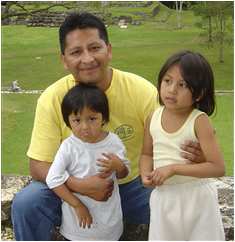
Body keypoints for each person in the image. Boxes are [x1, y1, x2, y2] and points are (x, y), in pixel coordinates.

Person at [11, 13, 204, 241]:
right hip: (71, 184)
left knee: (180, 201)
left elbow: (167, 141)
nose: (87, 58)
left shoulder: (140, 91)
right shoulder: (52, 98)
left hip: (131, 186)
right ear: (64, 59)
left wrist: (195, 155)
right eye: (76, 52)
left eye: (94, 48)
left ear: (109, 50)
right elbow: (38, 165)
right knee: (27, 203)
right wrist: (81, 185)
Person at [140, 50, 225, 240]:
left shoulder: (199, 121)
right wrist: (145, 173)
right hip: (164, 198)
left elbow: (217, 167)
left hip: (197, 199)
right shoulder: (153, 118)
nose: (171, 90)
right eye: (167, 81)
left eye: (182, 84)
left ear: (199, 93)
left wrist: (174, 169)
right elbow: (147, 154)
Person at [46, 84, 130, 240]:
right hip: (77, 228)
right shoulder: (69, 147)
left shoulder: (113, 142)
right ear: (68, 121)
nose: (84, 127)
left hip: (110, 225)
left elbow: (124, 173)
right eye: (77, 120)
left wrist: (118, 165)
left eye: (92, 119)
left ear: (103, 118)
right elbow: (53, 179)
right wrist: (77, 205)